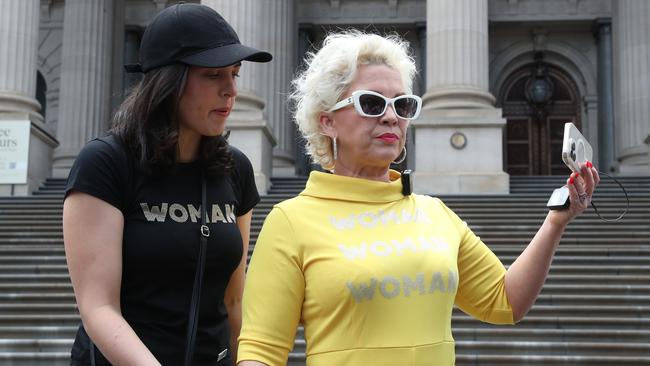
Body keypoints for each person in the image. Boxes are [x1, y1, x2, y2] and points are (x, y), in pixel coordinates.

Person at [236, 31, 599, 366]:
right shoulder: (290, 221)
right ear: (327, 121)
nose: (392, 117)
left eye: (403, 105)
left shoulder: (435, 213)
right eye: (372, 103)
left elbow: (505, 301)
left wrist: (556, 221)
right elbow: (261, 351)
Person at [63, 3, 271, 365]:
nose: (231, 90)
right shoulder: (106, 162)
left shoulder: (235, 169)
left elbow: (234, 302)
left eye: (234, 74)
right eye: (213, 75)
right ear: (169, 82)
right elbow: (99, 308)